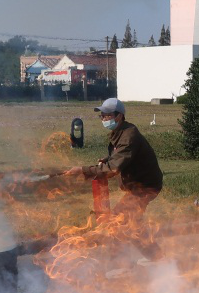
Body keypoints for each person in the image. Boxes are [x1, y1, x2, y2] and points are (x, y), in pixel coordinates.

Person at [64, 97, 164, 257]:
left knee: (120, 220)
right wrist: (107, 159)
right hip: (138, 186)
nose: (103, 118)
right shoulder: (120, 132)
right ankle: (154, 257)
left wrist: (83, 170)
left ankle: (125, 259)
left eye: (106, 115)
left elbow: (113, 168)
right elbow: (120, 157)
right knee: (132, 223)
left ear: (118, 116)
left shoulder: (128, 136)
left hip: (145, 186)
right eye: (101, 116)